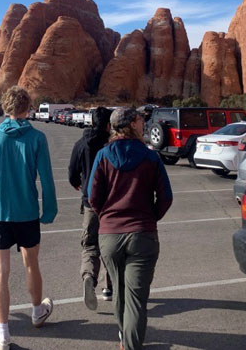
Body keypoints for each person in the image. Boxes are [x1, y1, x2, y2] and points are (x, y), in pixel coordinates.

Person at [0, 86, 57, 350]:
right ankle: (37, 313)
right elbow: (46, 177)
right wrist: (50, 210)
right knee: (31, 263)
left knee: (1, 272)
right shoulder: (36, 137)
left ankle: (3, 336)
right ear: (27, 108)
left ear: (5, 108)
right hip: (26, 213)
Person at [88, 107, 173, 350]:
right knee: (136, 298)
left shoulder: (103, 156)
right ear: (131, 125)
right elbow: (166, 197)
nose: (143, 124)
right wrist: (150, 218)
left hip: (110, 236)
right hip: (142, 234)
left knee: (120, 293)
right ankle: (131, 344)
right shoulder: (150, 156)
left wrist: (107, 217)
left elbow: (93, 197)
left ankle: (125, 342)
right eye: (139, 120)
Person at [68, 107, 113, 311]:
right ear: (108, 125)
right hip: (112, 202)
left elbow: (72, 172)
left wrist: (80, 184)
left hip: (90, 202)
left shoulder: (81, 143)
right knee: (110, 243)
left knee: (90, 244)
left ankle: (89, 276)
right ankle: (109, 287)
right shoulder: (111, 144)